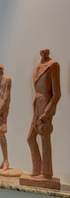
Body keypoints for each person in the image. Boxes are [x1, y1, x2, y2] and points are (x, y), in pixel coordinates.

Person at [27, 48, 61, 178]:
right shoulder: (38, 67)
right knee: (30, 138)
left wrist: (47, 112)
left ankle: (46, 173)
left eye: (45, 52)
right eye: (41, 52)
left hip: (46, 103)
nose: (43, 54)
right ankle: (37, 168)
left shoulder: (53, 65)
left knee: (45, 136)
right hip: (38, 104)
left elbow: (57, 94)